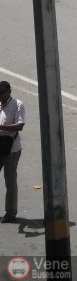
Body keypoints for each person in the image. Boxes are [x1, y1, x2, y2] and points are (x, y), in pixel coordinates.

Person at [0, 81, 25, 224]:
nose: (0, 96)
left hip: (11, 148)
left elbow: (20, 126)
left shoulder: (17, 105)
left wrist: (1, 127)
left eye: (2, 93)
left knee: (10, 181)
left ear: (9, 91)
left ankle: (11, 212)